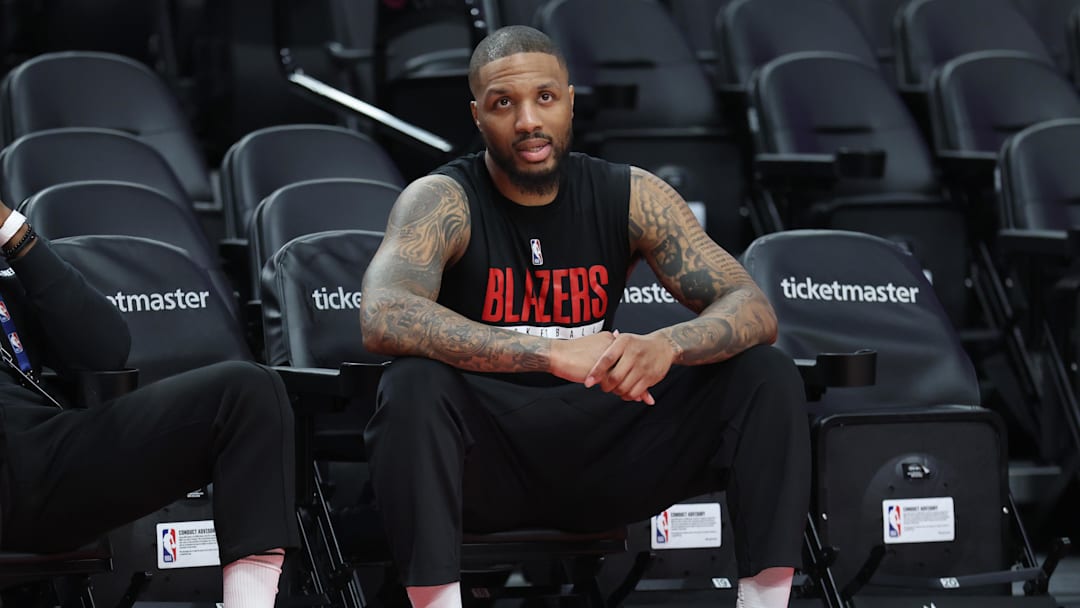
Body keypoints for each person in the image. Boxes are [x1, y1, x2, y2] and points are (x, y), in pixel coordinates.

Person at [360, 25, 810, 608]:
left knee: (765, 373)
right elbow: (383, 314)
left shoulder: (631, 194)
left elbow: (752, 305)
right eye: (504, 103)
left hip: (606, 450)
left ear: (569, 100)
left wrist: (666, 346)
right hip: (487, 463)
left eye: (544, 98)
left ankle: (764, 601)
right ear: (477, 116)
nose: (527, 121)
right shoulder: (441, 200)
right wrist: (546, 352)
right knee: (412, 383)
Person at [0, 201, 298, 608]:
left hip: (42, 460)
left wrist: (14, 231)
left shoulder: (8, 278)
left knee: (247, 390)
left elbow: (105, 350)